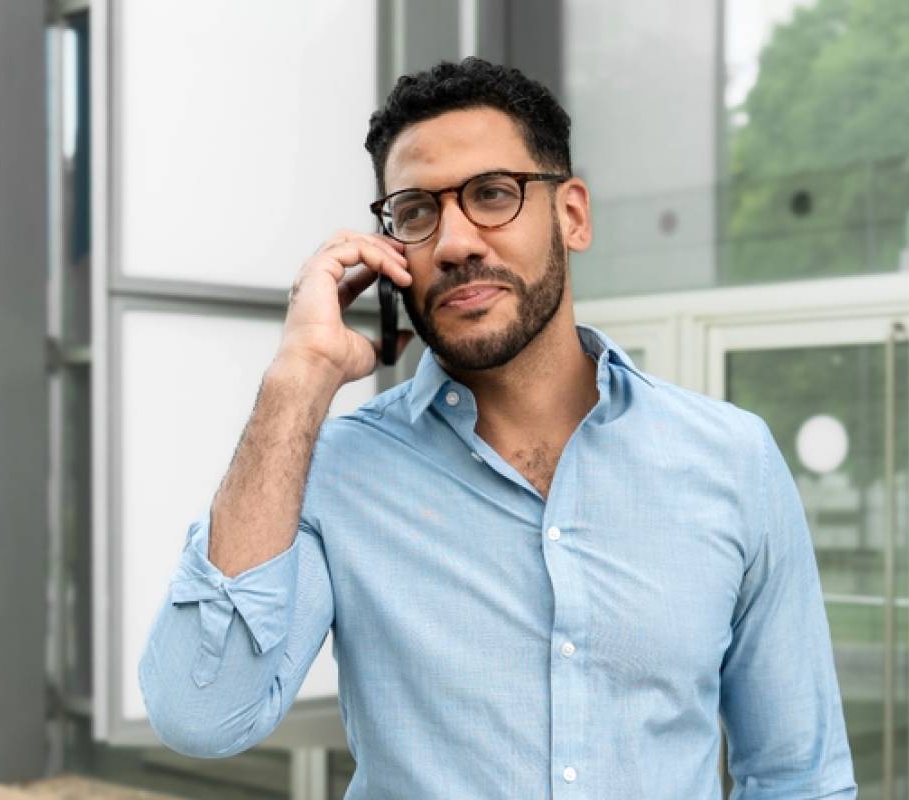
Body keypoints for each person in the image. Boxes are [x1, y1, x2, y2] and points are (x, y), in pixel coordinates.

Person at [138, 57, 855, 798]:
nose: (454, 242)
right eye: (416, 211)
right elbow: (201, 712)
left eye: (492, 195)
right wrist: (298, 378)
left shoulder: (734, 460)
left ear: (572, 214)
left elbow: (799, 775)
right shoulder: (334, 472)